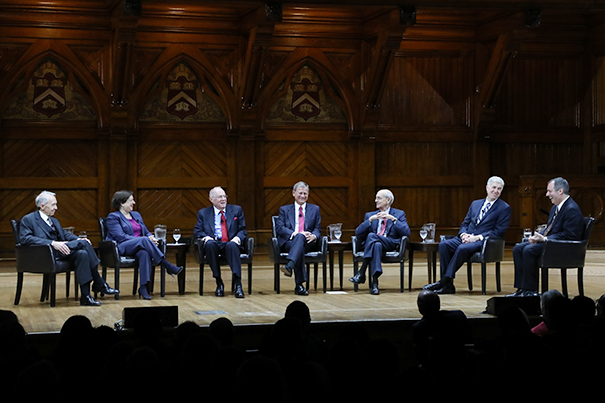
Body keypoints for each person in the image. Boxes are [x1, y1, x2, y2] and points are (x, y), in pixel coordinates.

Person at [19, 191, 118, 306]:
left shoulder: (53, 220)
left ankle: (86, 296)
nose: (56, 208)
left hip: (62, 251)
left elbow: (65, 235)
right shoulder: (29, 219)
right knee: (84, 245)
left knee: (82, 254)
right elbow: (25, 239)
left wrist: (78, 239)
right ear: (42, 206)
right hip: (45, 253)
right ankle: (99, 283)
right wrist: (52, 243)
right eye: (53, 205)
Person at [424, 176, 511, 294]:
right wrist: (463, 234)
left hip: (483, 241)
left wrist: (476, 238)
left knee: (462, 248)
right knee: (444, 245)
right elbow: (465, 223)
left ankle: (444, 281)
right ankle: (448, 286)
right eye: (494, 187)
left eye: (499, 189)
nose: (496, 191)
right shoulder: (475, 204)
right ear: (487, 188)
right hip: (467, 237)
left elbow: (498, 231)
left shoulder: (504, 208)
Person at [508, 177, 584, 297]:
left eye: (549, 191)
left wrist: (545, 239)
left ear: (560, 191)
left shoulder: (571, 209)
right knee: (518, 248)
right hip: (553, 244)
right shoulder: (555, 207)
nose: (547, 194)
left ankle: (531, 291)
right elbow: (551, 228)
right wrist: (539, 237)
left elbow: (570, 235)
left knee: (529, 250)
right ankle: (521, 289)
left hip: (565, 249)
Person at [106, 190, 183, 300]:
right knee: (144, 241)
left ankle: (143, 287)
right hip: (122, 246)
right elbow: (120, 236)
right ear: (122, 203)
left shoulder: (136, 215)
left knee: (144, 253)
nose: (134, 203)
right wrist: (144, 239)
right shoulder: (113, 217)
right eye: (131, 201)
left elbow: (145, 231)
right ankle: (166, 264)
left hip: (140, 246)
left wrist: (150, 237)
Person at [349, 189, 410, 295]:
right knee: (376, 245)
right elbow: (357, 232)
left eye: (379, 198)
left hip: (390, 243)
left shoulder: (399, 214)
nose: (375, 200)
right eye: (376, 198)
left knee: (372, 236)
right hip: (376, 245)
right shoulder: (370, 215)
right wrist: (370, 221)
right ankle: (375, 284)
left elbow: (406, 232)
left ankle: (362, 271)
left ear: (388, 200)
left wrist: (393, 219)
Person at [194, 186, 247, 298]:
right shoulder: (203, 213)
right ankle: (219, 283)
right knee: (209, 244)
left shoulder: (236, 210)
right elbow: (197, 231)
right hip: (214, 242)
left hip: (230, 242)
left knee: (232, 246)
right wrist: (206, 237)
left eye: (224, 196)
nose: (223, 199)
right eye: (219, 197)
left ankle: (238, 285)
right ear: (211, 199)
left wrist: (237, 238)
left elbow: (243, 230)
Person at [275, 181, 321, 296]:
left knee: (300, 243)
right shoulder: (284, 210)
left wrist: (314, 236)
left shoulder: (315, 209)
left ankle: (290, 266)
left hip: (308, 243)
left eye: (305, 194)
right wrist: (295, 234)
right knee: (299, 242)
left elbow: (317, 228)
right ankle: (299, 285)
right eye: (300, 193)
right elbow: (279, 228)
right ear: (293, 193)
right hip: (289, 242)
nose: (303, 196)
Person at [412, 290, 473, 375]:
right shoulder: (459, 316)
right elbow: (469, 340)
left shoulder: (420, 327)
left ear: (420, 306)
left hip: (434, 371)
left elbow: (422, 358)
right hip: (462, 366)